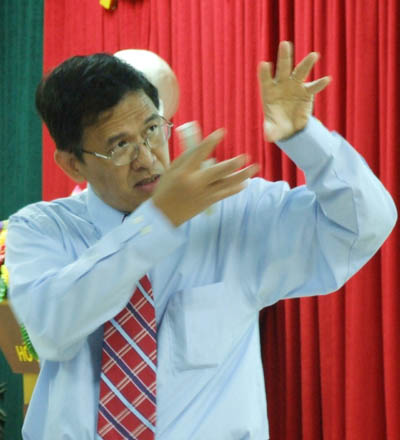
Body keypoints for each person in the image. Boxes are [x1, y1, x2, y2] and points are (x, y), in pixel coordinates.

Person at [6, 41, 397, 440]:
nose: (147, 158)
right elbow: (51, 328)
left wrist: (304, 138)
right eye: (120, 146)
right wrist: (159, 223)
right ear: (73, 164)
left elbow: (364, 225)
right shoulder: (41, 230)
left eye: (152, 130)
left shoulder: (230, 212)